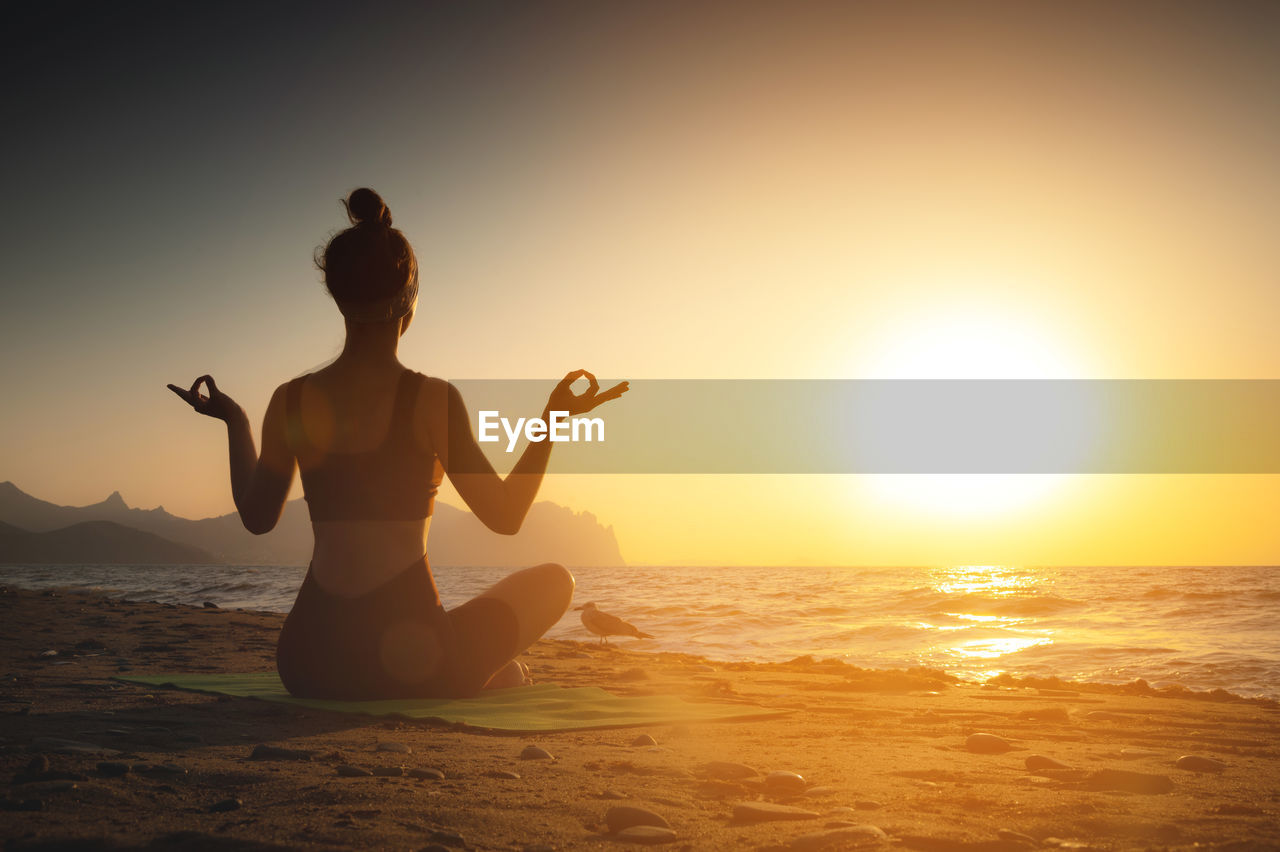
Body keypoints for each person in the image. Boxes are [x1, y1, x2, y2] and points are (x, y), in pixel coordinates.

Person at [168, 188, 627, 699]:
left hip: (306, 663)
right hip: (410, 666)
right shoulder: (432, 400)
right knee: (556, 580)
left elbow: (257, 519)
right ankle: (483, 672)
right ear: (409, 300)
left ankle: (480, 669)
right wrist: (552, 419)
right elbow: (506, 516)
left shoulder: (291, 399)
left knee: (458, 638)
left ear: (338, 299)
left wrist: (235, 421)